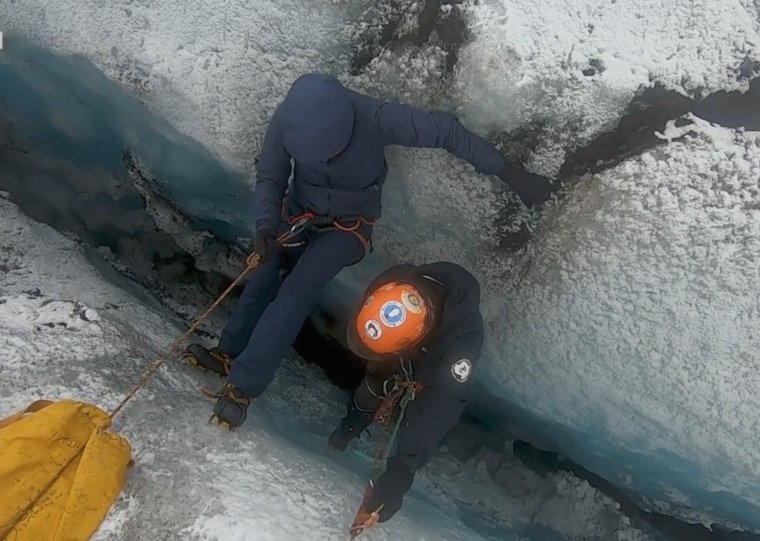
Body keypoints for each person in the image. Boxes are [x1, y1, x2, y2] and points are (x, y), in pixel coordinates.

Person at [183, 73, 551, 429]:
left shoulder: (374, 116)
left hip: (348, 227)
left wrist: (510, 173)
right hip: (296, 214)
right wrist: (265, 226)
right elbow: (271, 176)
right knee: (263, 271)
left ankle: (244, 386)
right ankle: (228, 353)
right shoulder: (290, 119)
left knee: (297, 290)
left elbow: (445, 130)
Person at [328, 261, 483, 528]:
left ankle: (356, 425)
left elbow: (442, 404)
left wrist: (403, 467)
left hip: (428, 369)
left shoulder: (462, 342)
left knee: (417, 413)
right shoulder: (394, 283)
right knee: (373, 385)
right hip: (401, 349)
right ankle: (352, 422)